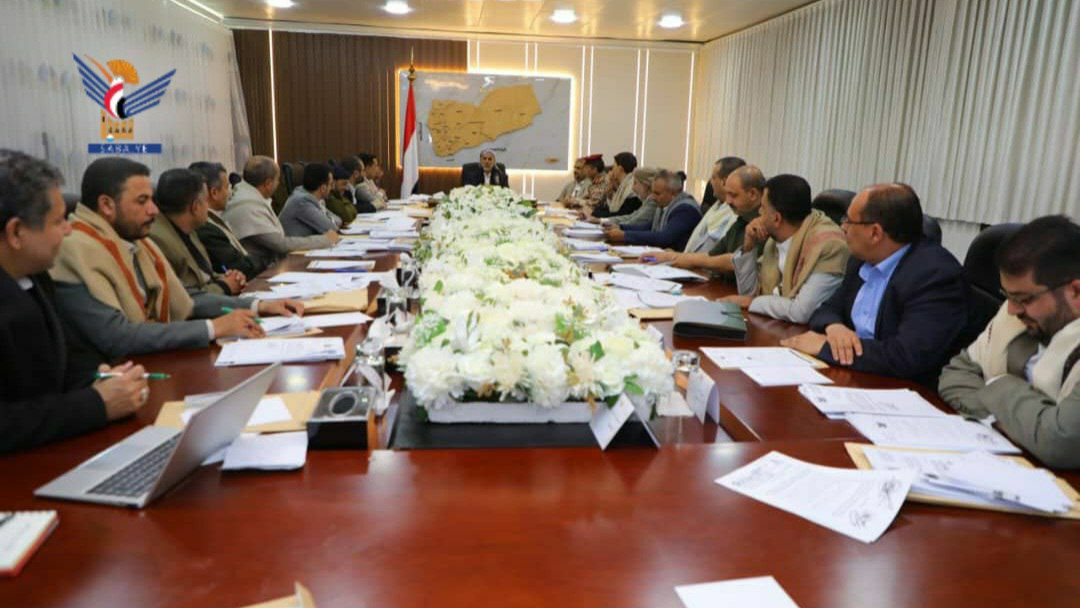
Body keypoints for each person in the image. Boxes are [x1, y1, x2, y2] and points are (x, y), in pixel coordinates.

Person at [50, 158, 301, 382]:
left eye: (152, 199)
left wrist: (257, 305)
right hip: (117, 380)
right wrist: (213, 328)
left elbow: (185, 297)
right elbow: (118, 336)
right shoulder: (76, 251)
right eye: (142, 201)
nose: (154, 210)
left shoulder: (135, 242)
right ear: (106, 205)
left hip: (151, 365)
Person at [0, 150, 149, 453]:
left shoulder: (35, 277)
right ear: (16, 232)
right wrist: (97, 403)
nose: (68, 230)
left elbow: (68, 357)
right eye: (59, 221)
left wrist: (102, 376)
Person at [782, 184, 968, 386]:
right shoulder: (861, 258)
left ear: (875, 233)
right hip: (856, 376)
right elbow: (827, 309)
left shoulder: (935, 275)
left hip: (902, 389)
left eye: (849, 221)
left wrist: (825, 348)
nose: (843, 227)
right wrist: (835, 327)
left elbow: (906, 357)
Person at [939, 216, 1080, 468]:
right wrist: (1011, 424)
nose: (1012, 310)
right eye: (1008, 296)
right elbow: (954, 375)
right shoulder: (1017, 313)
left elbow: (1060, 443)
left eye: (1024, 299)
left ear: (1075, 291)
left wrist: (997, 384)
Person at [724, 174, 848, 323]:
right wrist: (749, 247)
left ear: (776, 218)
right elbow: (747, 293)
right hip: (778, 327)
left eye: (762, 207)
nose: (759, 213)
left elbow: (801, 312)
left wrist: (752, 302)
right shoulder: (774, 241)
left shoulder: (829, 245)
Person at [644, 164, 763, 281]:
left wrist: (683, 259)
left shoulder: (763, 225)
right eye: (727, 194)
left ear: (752, 194)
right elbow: (712, 255)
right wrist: (672, 257)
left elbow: (735, 261)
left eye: (733, 195)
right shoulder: (741, 220)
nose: (728, 201)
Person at [224, 156, 339, 268]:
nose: (278, 184)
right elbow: (280, 244)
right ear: (268, 183)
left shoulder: (250, 196)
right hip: (257, 270)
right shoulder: (248, 205)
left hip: (264, 264)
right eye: (277, 180)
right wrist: (325, 240)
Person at [149, 168, 246, 296]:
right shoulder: (159, 241)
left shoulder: (190, 229)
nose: (208, 207)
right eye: (206, 200)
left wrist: (230, 278)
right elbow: (183, 298)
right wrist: (224, 286)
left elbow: (204, 275)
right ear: (195, 207)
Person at [189, 161, 267, 280]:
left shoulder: (214, 219)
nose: (230, 193)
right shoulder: (205, 228)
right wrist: (261, 261)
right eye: (227, 187)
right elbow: (241, 267)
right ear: (214, 192)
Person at [604, 169, 701, 251]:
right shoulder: (664, 204)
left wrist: (625, 235)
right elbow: (649, 227)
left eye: (657, 193)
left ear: (673, 194)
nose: (653, 197)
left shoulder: (686, 210)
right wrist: (620, 227)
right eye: (653, 192)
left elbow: (664, 238)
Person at [280, 163, 341, 237]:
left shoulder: (315, 199)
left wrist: (330, 221)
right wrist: (330, 221)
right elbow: (332, 228)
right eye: (330, 184)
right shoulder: (302, 202)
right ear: (323, 188)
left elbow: (338, 220)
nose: (332, 188)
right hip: (295, 244)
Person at [591, 152, 640, 218]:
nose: (611, 170)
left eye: (613, 167)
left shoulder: (631, 187)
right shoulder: (623, 184)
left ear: (620, 169)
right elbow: (612, 209)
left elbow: (620, 215)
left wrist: (592, 213)